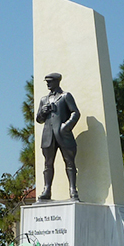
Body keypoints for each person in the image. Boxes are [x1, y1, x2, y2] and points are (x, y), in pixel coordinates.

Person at [35, 72, 80, 201]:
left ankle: (73, 189)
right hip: (48, 136)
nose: (48, 84)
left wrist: (66, 126)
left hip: (63, 134)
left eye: (50, 81)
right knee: (48, 164)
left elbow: (75, 113)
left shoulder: (65, 96)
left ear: (57, 81)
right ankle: (47, 190)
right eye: (47, 82)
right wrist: (43, 112)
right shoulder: (44, 99)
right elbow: (39, 119)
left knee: (69, 162)